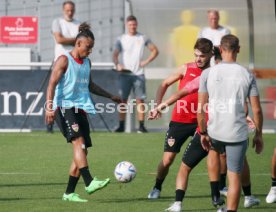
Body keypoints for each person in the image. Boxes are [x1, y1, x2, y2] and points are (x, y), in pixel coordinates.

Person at [45, 23, 121, 202]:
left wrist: (110, 96)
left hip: (81, 108)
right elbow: (51, 84)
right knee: (78, 142)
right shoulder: (64, 60)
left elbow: (90, 85)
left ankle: (69, 193)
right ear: (78, 44)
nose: (90, 51)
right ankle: (89, 182)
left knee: (83, 151)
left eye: (92, 47)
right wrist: (49, 107)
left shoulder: (87, 62)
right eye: (88, 47)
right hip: (63, 107)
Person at [198, 34, 263, 212]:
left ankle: (215, 196)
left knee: (214, 156)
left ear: (220, 49)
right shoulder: (247, 75)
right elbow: (256, 109)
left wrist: (203, 133)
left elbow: (201, 108)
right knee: (234, 176)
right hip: (236, 134)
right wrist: (258, 135)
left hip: (214, 132)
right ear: (239, 50)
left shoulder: (207, 73)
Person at [147, 38, 213, 200]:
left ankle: (220, 188)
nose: (198, 59)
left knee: (216, 155)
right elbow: (164, 84)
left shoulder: (214, 73)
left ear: (211, 54)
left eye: (202, 56)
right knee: (168, 159)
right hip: (180, 121)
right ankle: (157, 187)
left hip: (203, 122)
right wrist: (157, 106)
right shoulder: (186, 68)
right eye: (196, 55)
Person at [112, 15, 159, 133]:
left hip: (138, 74)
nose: (132, 27)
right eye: (130, 25)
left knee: (140, 100)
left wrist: (146, 61)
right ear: (126, 25)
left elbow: (155, 50)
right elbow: (115, 54)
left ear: (136, 25)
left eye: (134, 24)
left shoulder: (143, 38)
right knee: (123, 100)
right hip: (125, 74)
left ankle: (141, 126)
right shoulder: (121, 39)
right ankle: (121, 126)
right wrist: (117, 64)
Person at [47, 1, 80, 133]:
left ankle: (74, 121)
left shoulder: (79, 23)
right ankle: (50, 121)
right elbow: (59, 39)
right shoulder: (57, 22)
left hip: (74, 63)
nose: (70, 12)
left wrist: (73, 40)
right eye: (67, 10)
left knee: (74, 93)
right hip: (60, 62)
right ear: (63, 10)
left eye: (71, 10)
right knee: (55, 91)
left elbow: (82, 42)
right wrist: (75, 40)